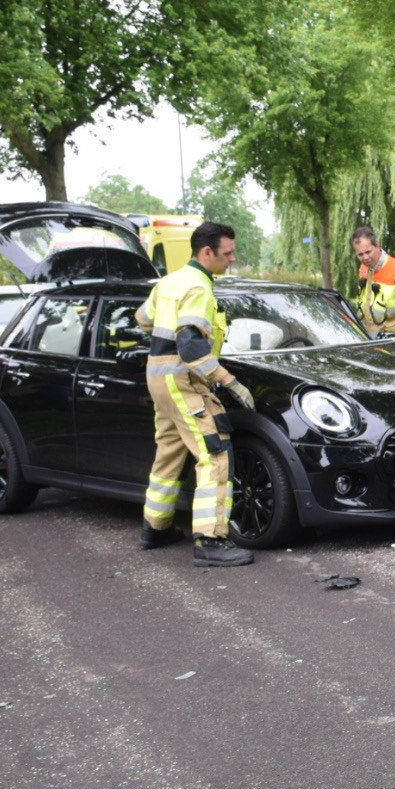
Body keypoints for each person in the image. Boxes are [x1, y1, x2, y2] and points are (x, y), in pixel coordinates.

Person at [135, 222, 256, 567]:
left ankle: (154, 528)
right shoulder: (199, 288)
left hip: (158, 378)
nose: (232, 259)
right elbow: (191, 349)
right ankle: (211, 540)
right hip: (183, 380)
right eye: (228, 253)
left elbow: (143, 318)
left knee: (169, 453)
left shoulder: (170, 281)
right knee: (215, 456)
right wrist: (230, 382)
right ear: (207, 252)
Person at [350, 227, 395, 342]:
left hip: (394, 346)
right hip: (369, 344)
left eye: (368, 252)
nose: (365, 258)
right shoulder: (363, 270)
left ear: (378, 245)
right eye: (360, 254)